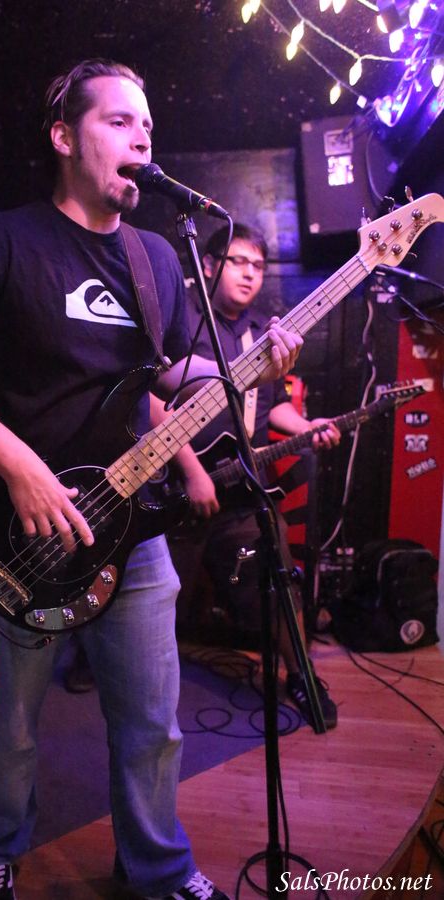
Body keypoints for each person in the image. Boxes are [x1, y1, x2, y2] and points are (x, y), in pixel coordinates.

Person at [0, 60, 303, 900]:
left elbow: (174, 374)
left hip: (132, 529)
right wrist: (22, 469)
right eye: (119, 121)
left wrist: (252, 366)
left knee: (152, 721)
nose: (142, 137)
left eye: (147, 124)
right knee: (5, 727)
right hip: (20, 529)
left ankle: (158, 868)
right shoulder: (1, 243)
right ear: (62, 137)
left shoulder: (155, 257)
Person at [150, 222, 340, 730]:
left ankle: (301, 674)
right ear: (210, 266)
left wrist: (309, 427)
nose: (250, 274)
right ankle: (94, 655)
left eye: (258, 265)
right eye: (239, 262)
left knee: (278, 568)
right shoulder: (183, 319)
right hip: (172, 484)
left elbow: (272, 407)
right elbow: (151, 399)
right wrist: (192, 470)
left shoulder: (259, 332)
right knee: (148, 590)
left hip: (237, 486)